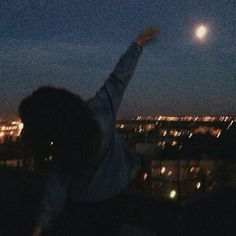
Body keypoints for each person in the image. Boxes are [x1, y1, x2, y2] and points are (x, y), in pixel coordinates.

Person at [19, 27, 159, 236]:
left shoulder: (62, 143)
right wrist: (137, 44)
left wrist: (41, 224)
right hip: (115, 194)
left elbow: (56, 186)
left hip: (80, 207)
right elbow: (118, 78)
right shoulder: (99, 111)